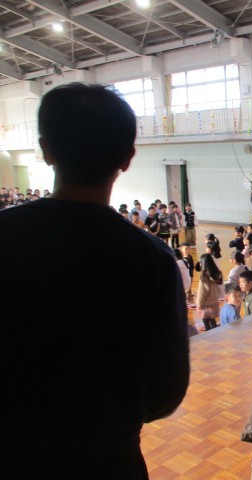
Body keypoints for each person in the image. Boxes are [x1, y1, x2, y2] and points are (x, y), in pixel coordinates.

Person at [0, 83, 189, 479]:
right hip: (108, 461)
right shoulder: (152, 259)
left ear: (46, 150)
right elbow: (165, 394)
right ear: (127, 157)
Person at [196, 253, 223, 331]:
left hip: (206, 305)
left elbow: (202, 293)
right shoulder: (216, 274)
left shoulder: (204, 277)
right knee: (213, 322)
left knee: (206, 324)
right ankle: (216, 334)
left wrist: (199, 305)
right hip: (214, 302)